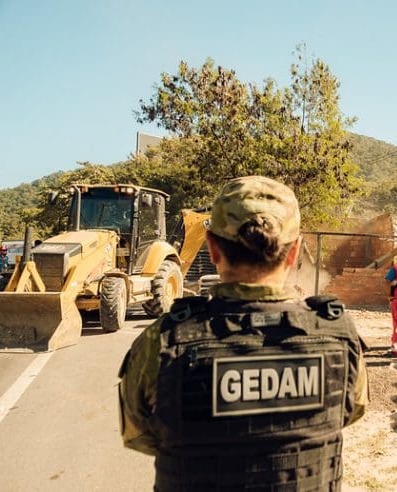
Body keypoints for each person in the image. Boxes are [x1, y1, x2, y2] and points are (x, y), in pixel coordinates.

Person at [118, 176, 368, 491]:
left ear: (212, 247)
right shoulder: (338, 333)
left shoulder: (165, 339)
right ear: (295, 253)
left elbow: (139, 433)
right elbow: (350, 411)